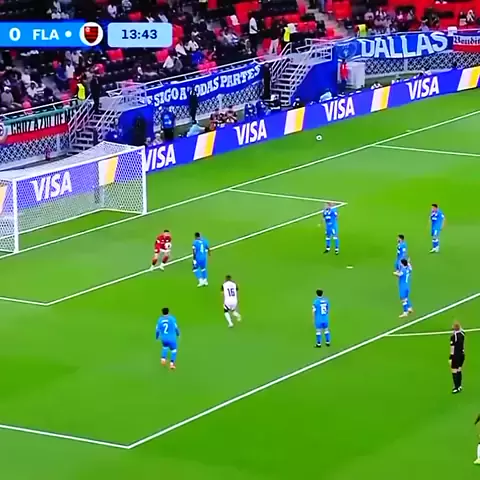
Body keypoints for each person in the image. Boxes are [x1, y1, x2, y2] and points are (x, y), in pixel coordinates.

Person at [450, 321, 465, 394]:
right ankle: (459, 386)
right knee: (459, 370)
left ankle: (456, 388)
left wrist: (451, 357)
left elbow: (452, 348)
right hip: (462, 355)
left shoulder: (453, 337)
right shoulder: (462, 334)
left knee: (454, 371)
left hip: (456, 356)